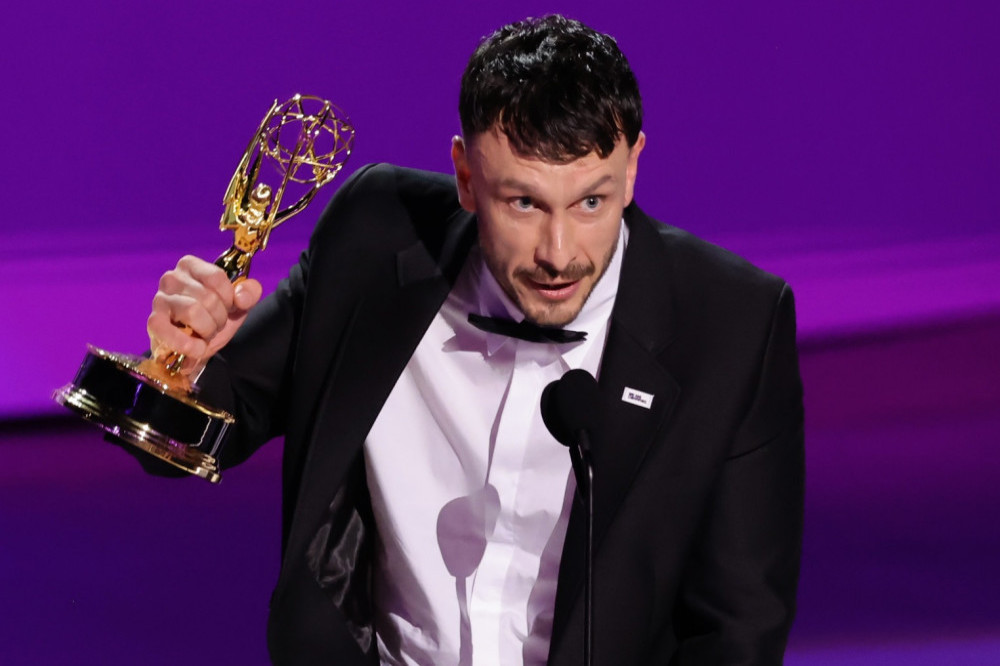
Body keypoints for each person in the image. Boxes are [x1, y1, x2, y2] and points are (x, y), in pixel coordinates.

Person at [146, 14, 804, 666]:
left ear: (632, 169)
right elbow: (193, 436)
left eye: (591, 204)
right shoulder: (376, 240)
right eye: (523, 203)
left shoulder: (732, 324)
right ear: (466, 176)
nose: (558, 252)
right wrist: (178, 364)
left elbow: (737, 632)